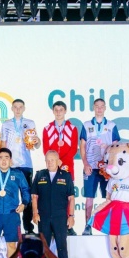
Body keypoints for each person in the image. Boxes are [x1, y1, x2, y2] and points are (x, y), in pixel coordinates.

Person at [79, 98, 120, 235]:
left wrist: (111, 166)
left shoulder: (111, 125)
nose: (99, 109)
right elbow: (82, 146)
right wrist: (85, 163)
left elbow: (116, 147)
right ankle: (87, 226)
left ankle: (109, 226)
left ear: (105, 108)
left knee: (109, 197)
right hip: (91, 167)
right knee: (89, 197)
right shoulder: (86, 125)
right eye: (97, 106)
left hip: (106, 168)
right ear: (93, 107)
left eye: (102, 106)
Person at [31, 150, 75, 258]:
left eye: (52, 160)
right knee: (44, 245)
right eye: (47, 160)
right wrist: (35, 213)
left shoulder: (66, 176)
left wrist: (71, 216)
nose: (50, 162)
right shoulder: (39, 175)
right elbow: (34, 197)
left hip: (60, 217)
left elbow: (71, 198)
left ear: (58, 161)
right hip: (43, 216)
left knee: (61, 245)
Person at [1, 99, 40, 234]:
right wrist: (5, 162)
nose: (18, 109)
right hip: (11, 166)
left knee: (26, 196)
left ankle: (28, 228)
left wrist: (37, 141)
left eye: (20, 107)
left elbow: (36, 145)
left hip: (26, 165)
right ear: (12, 108)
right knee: (9, 197)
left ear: (24, 108)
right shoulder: (6, 124)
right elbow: (3, 145)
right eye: (15, 107)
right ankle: (11, 227)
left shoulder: (30, 123)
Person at [42, 100, 79, 236]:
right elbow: (46, 148)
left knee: (68, 195)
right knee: (52, 195)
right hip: (52, 165)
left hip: (67, 165)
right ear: (53, 111)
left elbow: (73, 148)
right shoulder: (47, 128)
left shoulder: (72, 128)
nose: (58, 112)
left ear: (65, 111)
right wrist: (54, 161)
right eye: (56, 110)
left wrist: (61, 161)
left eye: (61, 110)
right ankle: (52, 224)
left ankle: (68, 224)